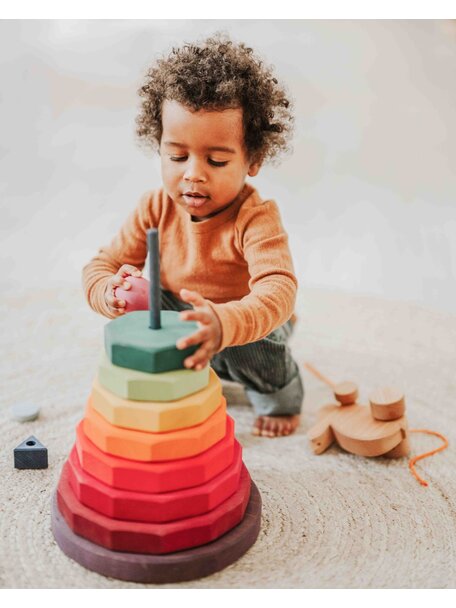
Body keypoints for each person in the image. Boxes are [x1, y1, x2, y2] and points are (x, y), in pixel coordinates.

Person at [82, 33, 304, 438]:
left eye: (216, 160)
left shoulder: (256, 219)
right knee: (142, 298)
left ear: (253, 159)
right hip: (183, 310)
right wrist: (109, 290)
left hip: (244, 322)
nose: (193, 174)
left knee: (257, 345)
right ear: (159, 148)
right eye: (178, 156)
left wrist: (224, 322)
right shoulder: (154, 207)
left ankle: (281, 391)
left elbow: (278, 289)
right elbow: (103, 264)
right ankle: (178, 368)